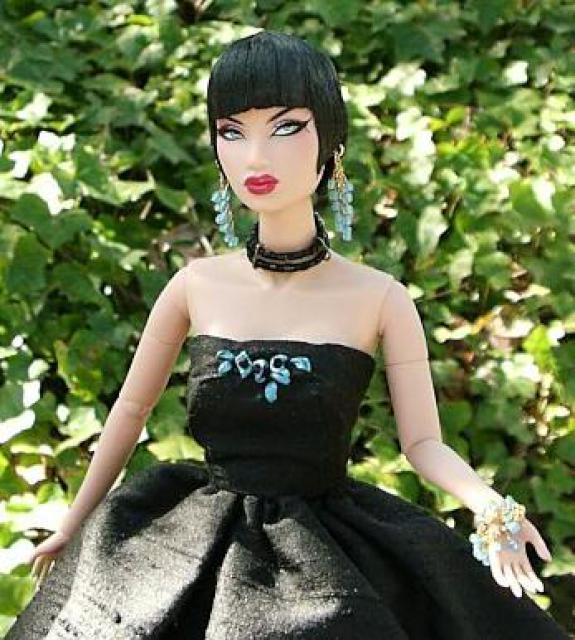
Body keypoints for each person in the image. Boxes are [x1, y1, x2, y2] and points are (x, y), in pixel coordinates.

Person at [5, 30, 570, 640]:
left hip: (325, 559)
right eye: (231, 132)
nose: (255, 157)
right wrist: (75, 522)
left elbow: (423, 443)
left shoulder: (379, 298)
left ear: (331, 143)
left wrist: (490, 507)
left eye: (285, 128)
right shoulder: (196, 286)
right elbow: (131, 410)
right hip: (192, 548)